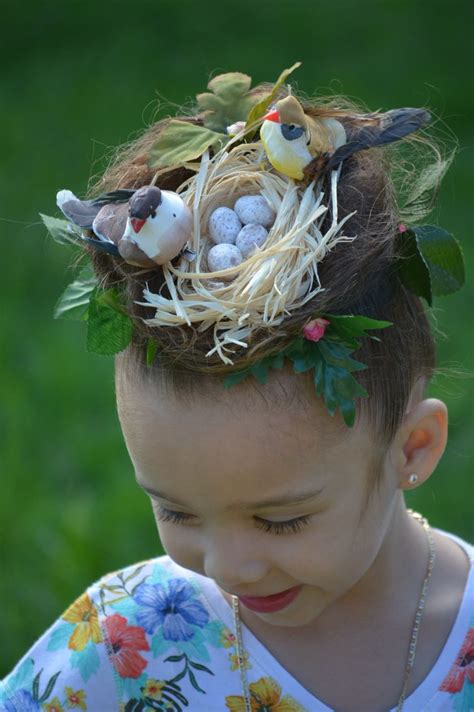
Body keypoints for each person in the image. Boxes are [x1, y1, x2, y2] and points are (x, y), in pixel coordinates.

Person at [1, 68, 473, 712]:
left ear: (412, 448)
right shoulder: (120, 643)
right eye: (176, 512)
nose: (228, 567)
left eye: (282, 520)